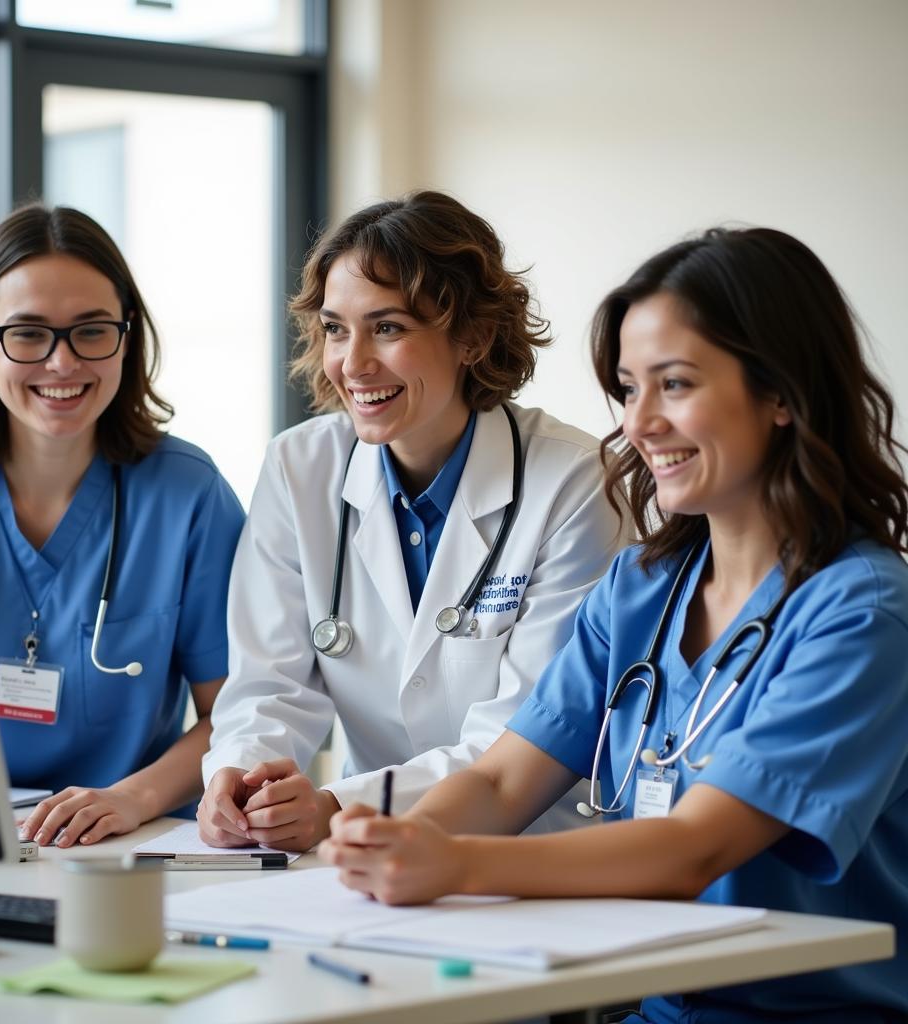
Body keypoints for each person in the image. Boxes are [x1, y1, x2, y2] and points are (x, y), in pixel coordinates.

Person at [321, 227, 908, 1023]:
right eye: (629, 389)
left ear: (781, 393)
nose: (641, 423)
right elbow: (500, 782)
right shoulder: (639, 591)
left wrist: (451, 863)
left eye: (676, 384)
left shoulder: (861, 613)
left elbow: (692, 849)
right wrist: (393, 851)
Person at [198, 190, 625, 852]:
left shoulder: (571, 482)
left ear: (473, 336)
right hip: (365, 853)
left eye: (388, 327)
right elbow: (268, 683)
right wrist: (245, 781)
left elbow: (521, 734)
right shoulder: (299, 466)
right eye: (336, 328)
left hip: (535, 851)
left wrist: (338, 806)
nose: (353, 362)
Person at [0, 205, 245, 847]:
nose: (61, 363)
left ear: (126, 337)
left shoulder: (187, 494)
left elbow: (236, 712)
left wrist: (130, 799)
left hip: (128, 839)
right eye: (27, 333)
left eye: (91, 331)